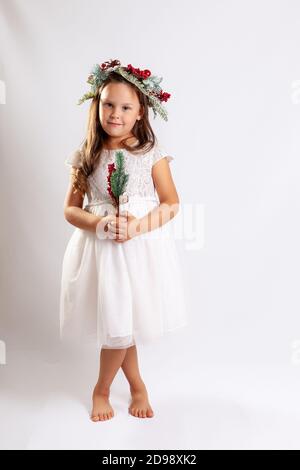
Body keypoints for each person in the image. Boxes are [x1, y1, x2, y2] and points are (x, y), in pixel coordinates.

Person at [59, 59, 188, 421]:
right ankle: (120, 387)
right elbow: (70, 211)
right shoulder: (86, 155)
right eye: (108, 104)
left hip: (140, 249)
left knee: (124, 321)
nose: (115, 114)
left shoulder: (150, 153)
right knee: (118, 321)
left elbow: (171, 203)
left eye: (125, 107)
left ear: (140, 112)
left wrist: (137, 227)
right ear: (96, 105)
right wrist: (101, 224)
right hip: (103, 252)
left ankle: (120, 386)